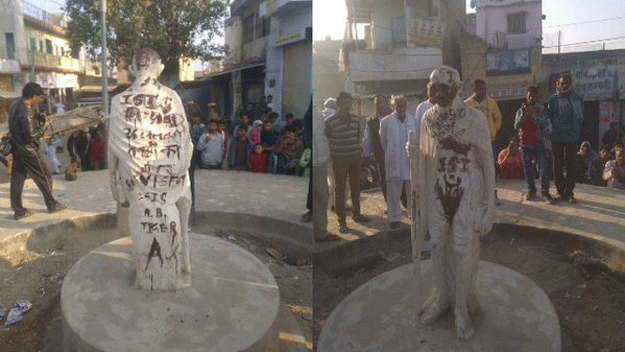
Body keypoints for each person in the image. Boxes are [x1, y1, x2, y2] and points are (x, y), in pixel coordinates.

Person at [409, 66, 495, 341]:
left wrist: (489, 207)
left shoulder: (475, 119)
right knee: (437, 245)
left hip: (467, 187)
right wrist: (414, 154)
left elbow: (487, 162)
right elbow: (426, 157)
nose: (437, 91)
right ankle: (442, 298)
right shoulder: (427, 119)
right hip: (437, 189)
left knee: (462, 249)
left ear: (457, 88)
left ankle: (461, 309)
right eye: (432, 86)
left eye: (444, 86)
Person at [108, 48, 193, 290]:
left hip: (135, 185)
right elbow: (185, 142)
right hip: (171, 181)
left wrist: (113, 184)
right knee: (179, 200)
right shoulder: (172, 97)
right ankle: (179, 266)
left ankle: (148, 276)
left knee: (143, 211)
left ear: (133, 69)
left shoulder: (118, 101)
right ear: (159, 67)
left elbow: (112, 150)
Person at [8, 82, 66, 220]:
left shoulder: (15, 105)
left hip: (16, 148)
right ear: (33, 96)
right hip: (28, 150)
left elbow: (27, 119)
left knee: (17, 180)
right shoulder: (26, 110)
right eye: (39, 98)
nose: (39, 100)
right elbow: (32, 136)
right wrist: (45, 126)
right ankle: (52, 204)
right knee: (44, 174)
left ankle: (18, 211)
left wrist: (39, 117)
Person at [324, 92, 371, 234]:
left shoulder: (356, 120)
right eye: (344, 103)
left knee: (356, 187)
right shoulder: (330, 122)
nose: (347, 105)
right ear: (338, 104)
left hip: (355, 158)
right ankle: (342, 221)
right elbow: (326, 141)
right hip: (339, 159)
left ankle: (357, 214)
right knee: (340, 190)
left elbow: (359, 138)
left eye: (349, 102)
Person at [543, 73, 585, 203]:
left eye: (567, 83)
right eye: (562, 83)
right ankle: (560, 192)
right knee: (558, 165)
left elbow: (581, 117)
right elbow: (547, 117)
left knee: (572, 165)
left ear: (570, 84)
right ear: (557, 84)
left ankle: (569, 192)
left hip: (572, 137)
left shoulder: (578, 99)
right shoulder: (552, 100)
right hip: (557, 137)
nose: (564, 85)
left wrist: (576, 130)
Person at [379, 95, 419, 229]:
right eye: (398, 105)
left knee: (412, 191)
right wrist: (392, 153)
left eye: (403, 105)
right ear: (393, 106)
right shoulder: (385, 122)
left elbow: (418, 140)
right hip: (393, 162)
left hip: (410, 162)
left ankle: (413, 215)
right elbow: (383, 142)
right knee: (393, 192)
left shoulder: (414, 120)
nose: (401, 108)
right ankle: (394, 218)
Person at [514, 86, 553, 202]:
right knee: (528, 170)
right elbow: (516, 126)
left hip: (539, 143)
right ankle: (531, 190)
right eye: (529, 95)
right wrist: (524, 115)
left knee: (544, 169)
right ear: (526, 96)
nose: (531, 98)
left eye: (534, 96)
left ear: (537, 97)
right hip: (525, 145)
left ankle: (545, 192)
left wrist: (532, 116)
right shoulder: (520, 110)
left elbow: (543, 123)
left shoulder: (542, 109)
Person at [465, 79, 502, 202]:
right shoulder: (467, 104)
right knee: (475, 167)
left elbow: (498, 118)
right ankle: (478, 193)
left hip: (490, 141)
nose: (484, 91)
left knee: (490, 167)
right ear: (474, 90)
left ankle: (492, 192)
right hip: (474, 142)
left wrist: (494, 131)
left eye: (485, 88)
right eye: (481, 88)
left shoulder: (491, 103)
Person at [363, 95, 391, 203]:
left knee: (398, 179)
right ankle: (389, 204)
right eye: (377, 103)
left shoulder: (394, 116)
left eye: (381, 102)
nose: (380, 105)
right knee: (384, 179)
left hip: (396, 153)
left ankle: (401, 202)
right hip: (380, 154)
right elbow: (368, 138)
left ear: (386, 103)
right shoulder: (371, 121)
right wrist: (366, 154)